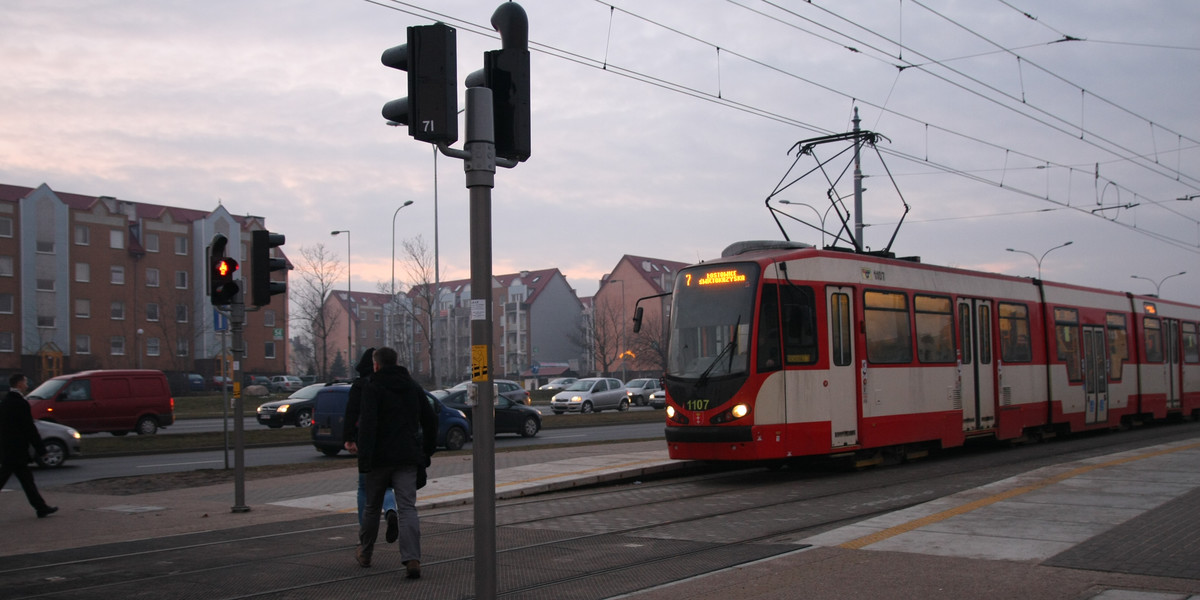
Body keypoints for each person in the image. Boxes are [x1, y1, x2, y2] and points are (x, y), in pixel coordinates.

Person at [352, 347, 437, 579]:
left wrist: (364, 461)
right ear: (396, 361)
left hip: (379, 458)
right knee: (407, 507)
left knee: (371, 507)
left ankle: (366, 553)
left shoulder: (372, 387)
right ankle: (412, 559)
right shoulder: (412, 387)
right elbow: (430, 420)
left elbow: (368, 426)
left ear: (376, 364)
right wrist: (426, 451)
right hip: (407, 456)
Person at [342, 348, 398, 541]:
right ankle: (391, 510)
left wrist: (349, 438)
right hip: (389, 441)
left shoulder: (360, 386)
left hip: (366, 441)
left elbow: (351, 412)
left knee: (364, 487)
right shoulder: (391, 383)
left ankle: (363, 531)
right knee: (387, 485)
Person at [1, 373, 58, 518]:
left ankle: (41, 507)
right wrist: (41, 449)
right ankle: (41, 507)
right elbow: (29, 429)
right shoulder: (20, 403)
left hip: (9, 448)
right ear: (19, 384)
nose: (27, 385)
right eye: (25, 383)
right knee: (22, 480)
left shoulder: (6, 401)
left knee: (27, 481)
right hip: (17, 449)